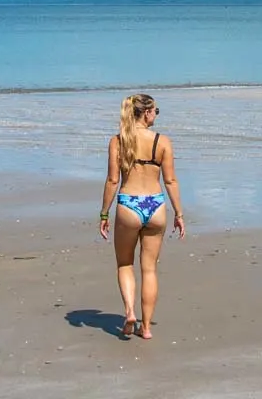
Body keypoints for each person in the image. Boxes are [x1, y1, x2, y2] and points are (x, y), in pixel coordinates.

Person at [98, 94, 184, 340]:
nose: (156, 114)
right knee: (149, 270)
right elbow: (170, 180)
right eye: (156, 110)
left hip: (129, 204)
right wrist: (178, 213)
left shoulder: (118, 142)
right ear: (146, 113)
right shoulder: (162, 141)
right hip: (155, 205)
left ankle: (129, 312)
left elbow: (113, 180)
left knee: (125, 263)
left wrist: (104, 213)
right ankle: (146, 328)